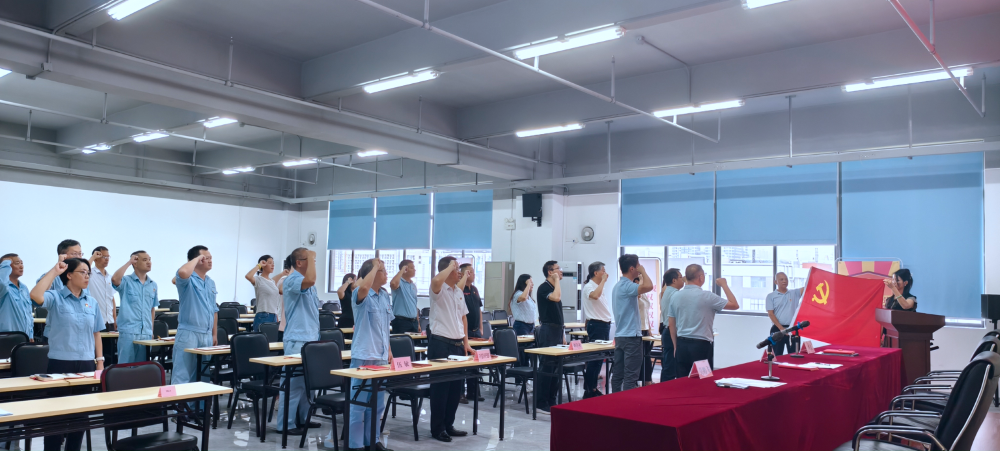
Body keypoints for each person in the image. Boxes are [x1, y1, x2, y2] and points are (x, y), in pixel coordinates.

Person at [30, 256, 104, 451]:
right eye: (83, 272)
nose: (87, 276)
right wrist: (55, 271)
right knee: (56, 414)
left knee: (81, 415)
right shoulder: (55, 297)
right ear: (69, 275)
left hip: (86, 364)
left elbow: (96, 333)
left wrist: (100, 362)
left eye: (89, 273)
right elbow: (36, 295)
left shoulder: (92, 302)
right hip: (60, 363)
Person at [347, 258, 395, 451]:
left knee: (377, 404)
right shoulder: (360, 293)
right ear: (372, 274)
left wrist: (389, 350)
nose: (386, 273)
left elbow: (385, 328)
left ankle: (372, 441)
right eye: (382, 270)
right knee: (359, 403)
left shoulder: (384, 295)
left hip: (381, 356)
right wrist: (375, 266)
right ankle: (356, 444)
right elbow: (364, 287)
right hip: (364, 354)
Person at [427, 256, 474, 442]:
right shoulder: (438, 289)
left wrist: (466, 342)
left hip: (457, 345)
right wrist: (449, 267)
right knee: (440, 389)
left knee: (455, 389)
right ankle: (437, 428)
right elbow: (436, 280)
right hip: (441, 345)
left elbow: (463, 318)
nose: (459, 272)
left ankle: (449, 424)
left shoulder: (458, 291)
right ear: (446, 271)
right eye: (456, 269)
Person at [276, 248, 322, 436]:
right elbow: (310, 279)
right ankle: (285, 424)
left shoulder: (309, 284)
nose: (313, 262)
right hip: (297, 339)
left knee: (307, 385)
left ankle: (303, 418)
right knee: (293, 386)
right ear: (299, 262)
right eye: (309, 259)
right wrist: (310, 255)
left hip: (311, 338)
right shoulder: (291, 280)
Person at [171, 245, 219, 421]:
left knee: (203, 374)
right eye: (206, 257)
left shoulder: (210, 282)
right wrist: (196, 259)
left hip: (206, 334)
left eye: (210, 257)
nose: (210, 260)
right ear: (196, 260)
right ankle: (179, 412)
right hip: (189, 332)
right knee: (183, 374)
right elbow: (183, 272)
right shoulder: (187, 280)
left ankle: (199, 409)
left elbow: (214, 309)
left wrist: (214, 334)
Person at [668, 264, 738, 378]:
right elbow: (734, 305)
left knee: (682, 381)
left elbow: (671, 324)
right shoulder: (707, 296)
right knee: (703, 380)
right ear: (700, 277)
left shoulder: (675, 296)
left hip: (681, 344)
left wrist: (675, 346)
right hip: (700, 346)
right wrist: (724, 285)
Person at [610, 255, 653, 393]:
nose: (640, 267)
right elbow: (649, 286)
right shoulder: (628, 286)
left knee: (618, 374)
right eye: (638, 265)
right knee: (631, 376)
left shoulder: (617, 286)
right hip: (631, 337)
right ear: (632, 268)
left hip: (620, 336)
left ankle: (615, 400)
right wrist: (643, 272)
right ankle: (626, 403)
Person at [112, 251, 158, 364]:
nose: (149, 262)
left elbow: (152, 309)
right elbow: (115, 279)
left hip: (146, 333)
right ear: (135, 263)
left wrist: (151, 331)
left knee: (142, 369)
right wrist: (129, 262)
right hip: (129, 333)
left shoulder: (153, 284)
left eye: (150, 259)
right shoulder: (126, 281)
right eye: (145, 260)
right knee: (125, 368)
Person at [535, 260, 565, 414]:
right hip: (548, 330)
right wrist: (557, 280)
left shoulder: (554, 287)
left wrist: (563, 334)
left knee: (555, 367)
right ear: (550, 272)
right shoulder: (543, 288)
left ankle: (551, 399)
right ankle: (541, 402)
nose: (561, 271)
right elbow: (556, 298)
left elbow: (559, 313)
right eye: (558, 269)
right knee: (546, 366)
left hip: (558, 331)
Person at [581, 262, 611, 399]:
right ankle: (589, 390)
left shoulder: (598, 286)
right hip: (596, 325)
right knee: (594, 359)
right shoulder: (589, 286)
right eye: (603, 271)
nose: (605, 273)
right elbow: (594, 296)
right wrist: (603, 281)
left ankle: (593, 388)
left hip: (603, 325)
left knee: (599, 359)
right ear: (596, 273)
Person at [460, 262, 484, 404]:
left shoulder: (474, 289)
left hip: (476, 331)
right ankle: (460, 393)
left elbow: (479, 310)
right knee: (463, 362)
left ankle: (473, 392)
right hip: (465, 332)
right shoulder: (459, 289)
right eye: (471, 272)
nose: (474, 274)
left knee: (475, 363)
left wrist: (481, 328)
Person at [765, 272, 805, 356]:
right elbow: (771, 314)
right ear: (776, 282)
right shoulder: (771, 296)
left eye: (786, 279)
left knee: (794, 354)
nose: (784, 281)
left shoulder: (794, 293)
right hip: (777, 329)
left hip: (793, 329)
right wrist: (781, 328)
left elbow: (807, 287)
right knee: (777, 355)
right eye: (781, 279)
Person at [0, 254, 33, 341]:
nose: (21, 266)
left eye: (21, 263)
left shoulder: (24, 288)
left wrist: (31, 334)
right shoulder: (4, 288)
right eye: (17, 263)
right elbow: (2, 283)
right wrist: (5, 263)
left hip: (24, 338)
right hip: (5, 338)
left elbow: (29, 313)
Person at [658, 268, 683, 382]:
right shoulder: (675, 294)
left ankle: (665, 387)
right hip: (671, 330)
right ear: (674, 280)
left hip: (667, 330)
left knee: (669, 363)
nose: (683, 280)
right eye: (681, 277)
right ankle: (665, 388)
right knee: (671, 364)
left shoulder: (667, 291)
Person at [245, 255, 280, 332]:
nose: (273, 265)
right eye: (270, 263)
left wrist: (276, 317)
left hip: (274, 316)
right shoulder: (258, 279)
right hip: (263, 316)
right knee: (261, 339)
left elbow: (274, 302)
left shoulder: (272, 282)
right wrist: (259, 265)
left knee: (272, 339)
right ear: (263, 265)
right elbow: (248, 276)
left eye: (273, 263)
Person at [881, 269, 916, 347]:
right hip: (889, 336)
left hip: (904, 337)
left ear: (905, 283)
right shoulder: (889, 300)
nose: (893, 282)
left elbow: (905, 306)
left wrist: (893, 288)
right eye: (893, 279)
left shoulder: (911, 298)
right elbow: (884, 319)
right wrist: (880, 337)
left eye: (897, 280)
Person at [89, 247, 116, 331]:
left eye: (108, 257)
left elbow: (112, 299)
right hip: (95, 320)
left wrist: (115, 319)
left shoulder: (110, 277)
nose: (106, 259)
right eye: (104, 257)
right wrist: (92, 257)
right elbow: (83, 269)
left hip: (110, 321)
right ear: (95, 258)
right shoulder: (90, 274)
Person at [389, 259, 420, 334]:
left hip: (414, 322)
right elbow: (393, 284)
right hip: (401, 322)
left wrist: (418, 322)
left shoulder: (413, 285)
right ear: (405, 269)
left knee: (414, 342)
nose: (414, 270)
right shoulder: (399, 282)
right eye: (412, 268)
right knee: (401, 341)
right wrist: (402, 271)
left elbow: (414, 304)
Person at [637, 275, 654, 385]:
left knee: (647, 356)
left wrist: (649, 329)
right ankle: (638, 381)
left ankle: (647, 380)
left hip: (645, 328)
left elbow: (646, 312)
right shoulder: (636, 292)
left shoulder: (644, 294)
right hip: (638, 328)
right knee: (639, 357)